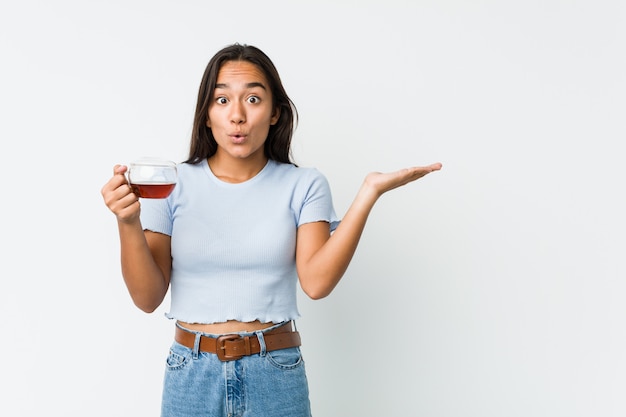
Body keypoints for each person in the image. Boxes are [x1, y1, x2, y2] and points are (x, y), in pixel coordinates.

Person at [101, 43, 442, 417]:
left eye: (252, 98)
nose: (237, 116)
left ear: (275, 113)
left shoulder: (304, 185)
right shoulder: (172, 184)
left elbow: (316, 282)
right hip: (191, 373)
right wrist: (128, 221)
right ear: (206, 115)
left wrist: (368, 193)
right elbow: (147, 298)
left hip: (274, 370)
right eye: (222, 100)